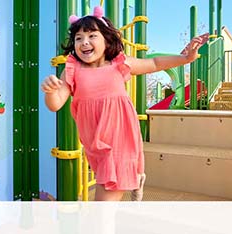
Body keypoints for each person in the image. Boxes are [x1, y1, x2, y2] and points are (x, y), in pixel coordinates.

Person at [41, 6, 209, 201]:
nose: (84, 42)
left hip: (120, 137)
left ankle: (131, 176)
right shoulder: (72, 69)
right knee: (106, 185)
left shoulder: (118, 64)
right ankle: (136, 176)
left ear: (107, 39)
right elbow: (55, 104)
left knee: (103, 206)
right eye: (78, 38)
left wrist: (186, 58)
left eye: (92, 36)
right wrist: (50, 91)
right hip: (95, 142)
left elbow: (154, 63)